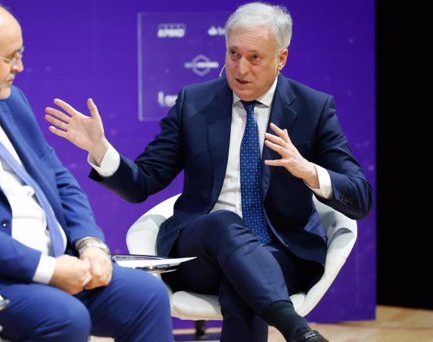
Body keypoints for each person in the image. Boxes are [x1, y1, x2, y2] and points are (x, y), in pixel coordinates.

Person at [45, 2, 373, 342]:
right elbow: (143, 182)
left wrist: (310, 172)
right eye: (233, 53)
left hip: (282, 252)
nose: (240, 68)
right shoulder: (195, 102)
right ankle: (296, 330)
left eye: (255, 57)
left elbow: (360, 198)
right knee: (224, 222)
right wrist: (100, 149)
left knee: (243, 279)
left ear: (282, 58)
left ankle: (295, 329)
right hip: (199, 251)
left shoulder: (313, 108)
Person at [0, 2, 174, 341]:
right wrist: (49, 270)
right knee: (64, 317)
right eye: (11, 57)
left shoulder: (10, 100)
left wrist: (90, 242)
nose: (20, 67)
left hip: (60, 262)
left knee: (147, 296)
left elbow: (59, 179)